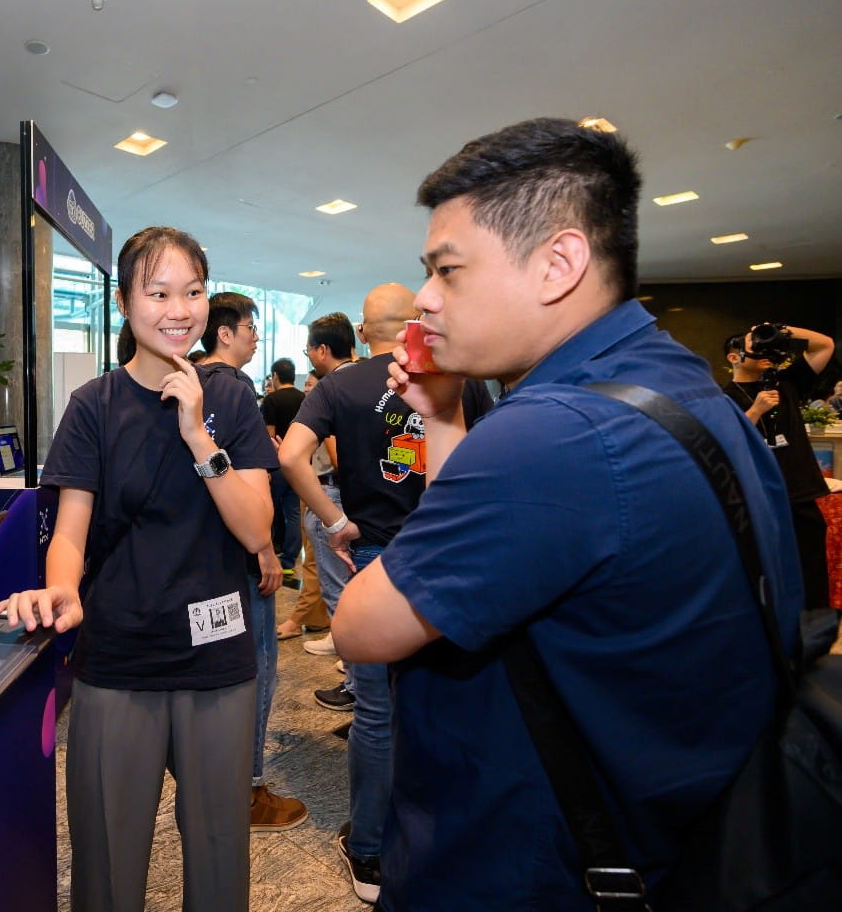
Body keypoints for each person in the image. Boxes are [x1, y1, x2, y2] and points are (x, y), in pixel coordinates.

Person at [332, 117, 804, 910]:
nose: (424, 297)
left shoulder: (551, 434)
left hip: (532, 867)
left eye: (448, 270)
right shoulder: (683, 385)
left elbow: (360, 625)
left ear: (558, 262)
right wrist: (445, 420)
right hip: (680, 836)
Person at [0, 227, 276, 912]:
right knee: (107, 863)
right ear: (125, 302)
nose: (179, 308)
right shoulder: (94, 405)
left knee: (219, 856)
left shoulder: (232, 398)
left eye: (193, 291)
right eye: (158, 292)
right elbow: (70, 531)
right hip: (118, 658)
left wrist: (198, 435)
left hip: (218, 663)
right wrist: (62, 587)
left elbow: (257, 526)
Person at [279, 284, 490, 903]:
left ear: (366, 328)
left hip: (375, 556)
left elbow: (293, 457)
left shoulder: (338, 387)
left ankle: (369, 852)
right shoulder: (459, 378)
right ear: (413, 323)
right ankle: (442, 836)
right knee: (448, 695)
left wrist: (335, 521)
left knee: (376, 709)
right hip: (449, 552)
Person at [196, 291, 305, 832]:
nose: (256, 336)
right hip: (241, 556)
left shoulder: (184, 385)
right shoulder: (236, 392)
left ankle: (218, 785)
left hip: (199, 562)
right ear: (225, 333)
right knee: (257, 670)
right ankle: (248, 789)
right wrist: (264, 549)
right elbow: (250, 491)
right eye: (250, 327)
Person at [724, 323, 835, 608]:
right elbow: (727, 440)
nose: (762, 350)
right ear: (734, 357)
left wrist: (779, 331)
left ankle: (813, 628)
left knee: (811, 567)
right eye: (753, 345)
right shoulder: (723, 397)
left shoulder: (785, 383)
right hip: (757, 496)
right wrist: (756, 410)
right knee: (765, 567)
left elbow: (825, 345)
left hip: (800, 491)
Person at [290, 312, 357, 662]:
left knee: (337, 582)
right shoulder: (372, 379)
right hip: (363, 497)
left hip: (331, 491)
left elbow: (302, 455)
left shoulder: (332, 388)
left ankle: (348, 654)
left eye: (309, 350)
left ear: (322, 351)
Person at [276, 369, 334, 640]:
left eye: (311, 384)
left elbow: (335, 458)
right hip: (318, 486)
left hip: (323, 490)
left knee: (315, 559)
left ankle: (303, 618)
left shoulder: (328, 413)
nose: (307, 389)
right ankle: (318, 618)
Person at [260, 357, 306, 582]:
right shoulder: (304, 398)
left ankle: (264, 557)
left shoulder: (272, 400)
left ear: (276, 376)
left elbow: (269, 436)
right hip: (298, 463)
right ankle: (289, 562)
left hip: (277, 463)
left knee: (267, 510)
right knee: (293, 512)